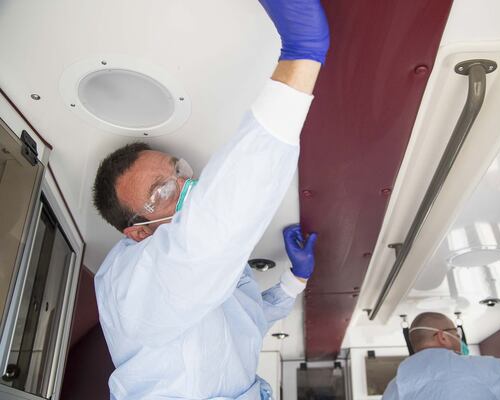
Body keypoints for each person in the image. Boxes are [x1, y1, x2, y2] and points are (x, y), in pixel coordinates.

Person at [91, 0, 328, 398]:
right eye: (161, 192)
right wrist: (302, 56)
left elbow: (246, 318)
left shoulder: (200, 278)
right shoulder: (129, 285)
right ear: (136, 233)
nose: (185, 185)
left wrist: (292, 283)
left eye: (179, 170)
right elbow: (207, 235)